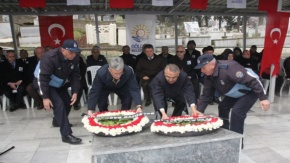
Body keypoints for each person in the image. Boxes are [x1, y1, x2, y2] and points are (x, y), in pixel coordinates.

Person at [195, 54, 270, 137]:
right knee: (223, 106)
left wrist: (263, 98)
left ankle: (236, 139)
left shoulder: (229, 68)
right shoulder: (209, 76)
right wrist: (199, 111)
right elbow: (206, 94)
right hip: (235, 92)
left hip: (251, 90)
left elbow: (253, 80)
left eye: (203, 67)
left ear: (212, 65)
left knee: (237, 112)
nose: (201, 70)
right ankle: (224, 130)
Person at [34, 39, 82, 144]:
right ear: (63, 50)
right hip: (45, 84)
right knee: (59, 105)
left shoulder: (75, 58)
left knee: (68, 102)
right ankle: (66, 135)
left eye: (75, 52)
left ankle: (57, 121)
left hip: (59, 83)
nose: (73, 55)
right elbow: (43, 78)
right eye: (71, 52)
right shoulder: (49, 57)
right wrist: (45, 97)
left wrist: (75, 92)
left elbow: (75, 76)